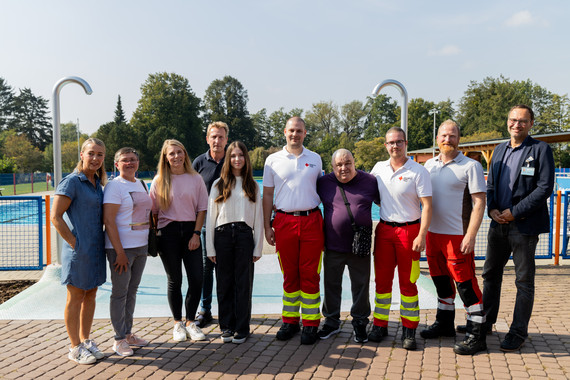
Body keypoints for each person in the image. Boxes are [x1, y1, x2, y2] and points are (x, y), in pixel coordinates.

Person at [482, 104, 554, 352]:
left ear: (531, 123)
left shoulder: (541, 150)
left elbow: (544, 188)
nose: (517, 124)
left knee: (523, 281)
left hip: (523, 226)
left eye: (523, 121)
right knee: (490, 275)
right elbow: (490, 185)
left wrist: (515, 212)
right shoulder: (499, 150)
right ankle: (486, 322)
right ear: (507, 122)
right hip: (497, 223)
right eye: (513, 120)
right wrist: (491, 209)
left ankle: (517, 332)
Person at [422, 121, 487, 355]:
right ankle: (445, 323)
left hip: (457, 236)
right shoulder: (429, 165)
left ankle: (477, 334)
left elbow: (480, 202)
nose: (447, 139)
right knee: (440, 282)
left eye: (452, 135)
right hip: (433, 235)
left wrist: (470, 235)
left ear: (459, 138)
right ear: (437, 138)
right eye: (443, 135)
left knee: (465, 285)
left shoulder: (471, 166)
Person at [263, 116, 324, 345]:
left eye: (299, 131)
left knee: (310, 274)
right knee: (290, 274)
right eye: (291, 130)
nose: (294, 134)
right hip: (284, 222)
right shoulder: (272, 160)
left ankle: (310, 324)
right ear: (285, 132)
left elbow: (323, 190)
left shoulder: (315, 159)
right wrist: (267, 224)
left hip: (311, 221)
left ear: (305, 133)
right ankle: (290, 321)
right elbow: (267, 195)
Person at [369, 127, 432, 350]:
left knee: (409, 283)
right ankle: (379, 324)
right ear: (385, 145)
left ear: (406, 143)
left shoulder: (418, 171)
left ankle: (409, 329)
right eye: (390, 143)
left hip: (410, 232)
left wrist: (422, 234)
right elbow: (371, 195)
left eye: (399, 142)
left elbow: (427, 206)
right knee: (382, 282)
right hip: (385, 231)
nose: (394, 146)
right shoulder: (378, 169)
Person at [51, 138, 107, 364]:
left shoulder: (98, 184)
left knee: (91, 294)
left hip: (96, 249)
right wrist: (75, 244)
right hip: (79, 250)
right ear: (82, 155)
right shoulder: (72, 182)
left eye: (100, 155)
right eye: (91, 153)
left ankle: (85, 340)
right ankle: (74, 347)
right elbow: (55, 217)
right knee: (75, 296)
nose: (95, 158)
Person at [316, 149, 379, 343]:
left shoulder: (370, 181)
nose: (344, 168)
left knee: (360, 285)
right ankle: (331, 321)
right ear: (332, 167)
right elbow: (304, 199)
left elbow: (389, 203)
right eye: (339, 165)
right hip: (333, 244)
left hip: (359, 246)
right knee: (331, 284)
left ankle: (360, 322)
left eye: (347, 163)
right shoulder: (323, 182)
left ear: (354, 162)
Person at [150, 139, 209, 342]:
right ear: (165, 158)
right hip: (168, 234)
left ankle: (191, 321)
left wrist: (196, 234)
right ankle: (177, 323)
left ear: (185, 154)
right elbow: (153, 214)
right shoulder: (159, 180)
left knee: (196, 279)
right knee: (175, 280)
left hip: (190, 231)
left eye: (179, 152)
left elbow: (202, 208)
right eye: (171, 154)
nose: (176, 156)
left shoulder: (196, 179)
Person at [205, 141, 263, 344]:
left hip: (244, 236)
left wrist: (258, 246)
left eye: (240, 155)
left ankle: (242, 327)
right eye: (233, 156)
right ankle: (227, 326)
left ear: (246, 159)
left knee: (243, 284)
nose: (237, 159)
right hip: (222, 236)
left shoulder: (252, 185)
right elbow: (211, 218)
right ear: (228, 160)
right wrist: (210, 247)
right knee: (224, 284)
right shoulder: (218, 184)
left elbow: (257, 219)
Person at [103, 147, 152, 356]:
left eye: (133, 159)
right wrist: (119, 251)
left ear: (138, 163)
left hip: (141, 246)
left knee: (132, 291)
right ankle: (118, 339)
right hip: (121, 250)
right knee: (120, 293)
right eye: (124, 160)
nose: (129, 163)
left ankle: (128, 333)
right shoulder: (114, 186)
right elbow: (109, 220)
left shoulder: (141, 184)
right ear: (116, 164)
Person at [193, 121, 229, 328]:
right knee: (206, 270)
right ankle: (205, 310)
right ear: (207, 139)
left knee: (225, 269)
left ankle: (227, 309)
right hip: (206, 225)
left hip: (227, 224)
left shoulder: (233, 161)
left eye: (221, 137)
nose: (217, 140)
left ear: (226, 139)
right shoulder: (198, 163)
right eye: (213, 136)